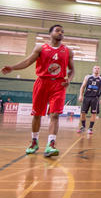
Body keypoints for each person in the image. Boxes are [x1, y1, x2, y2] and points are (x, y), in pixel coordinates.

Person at [1, 24, 74, 157]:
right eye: (57, 30)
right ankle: (34, 142)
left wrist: (69, 79)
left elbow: (72, 70)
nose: (61, 33)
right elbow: (28, 61)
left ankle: (51, 144)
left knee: (55, 115)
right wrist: (13, 67)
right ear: (50, 33)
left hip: (59, 84)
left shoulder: (68, 51)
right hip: (42, 82)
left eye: (62, 31)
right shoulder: (41, 48)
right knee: (37, 114)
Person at [78, 65, 101, 135]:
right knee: (83, 113)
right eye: (95, 68)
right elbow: (82, 87)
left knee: (93, 113)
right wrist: (80, 95)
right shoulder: (87, 77)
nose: (97, 69)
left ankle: (90, 128)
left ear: (99, 70)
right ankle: (83, 126)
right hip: (86, 97)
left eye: (98, 68)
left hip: (95, 98)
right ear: (93, 69)